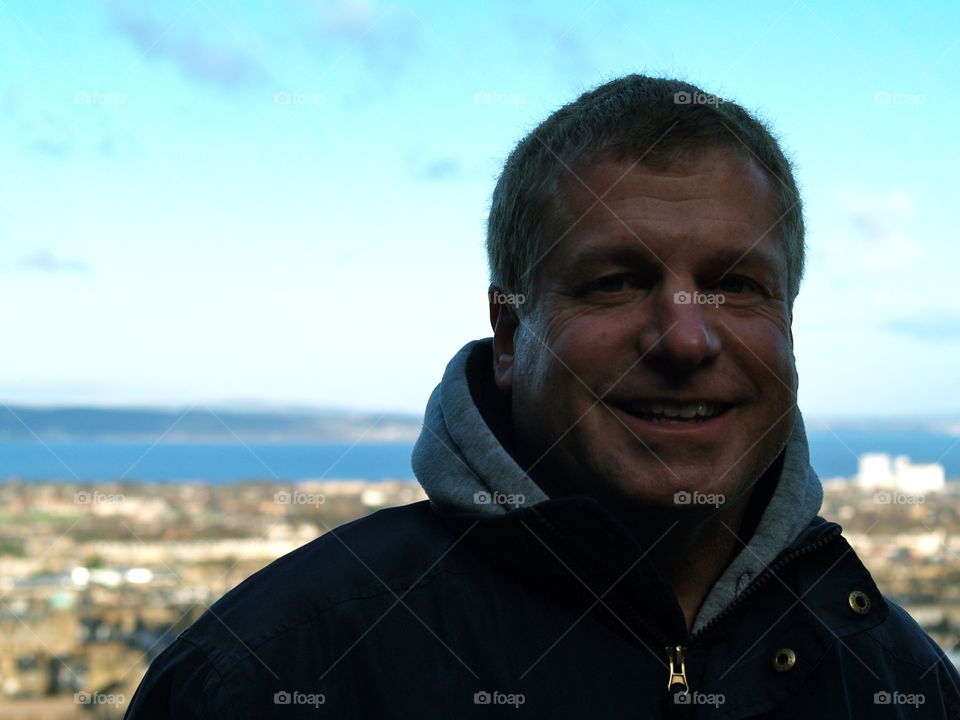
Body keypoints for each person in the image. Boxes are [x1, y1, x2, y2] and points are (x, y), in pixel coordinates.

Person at [124, 74, 960, 718]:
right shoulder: (274, 674)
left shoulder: (900, 681)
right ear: (511, 333)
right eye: (616, 282)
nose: (686, 338)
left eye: (736, 287)